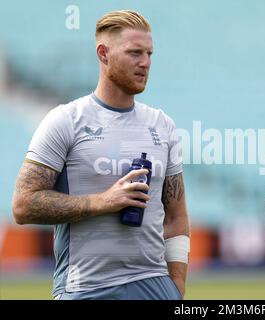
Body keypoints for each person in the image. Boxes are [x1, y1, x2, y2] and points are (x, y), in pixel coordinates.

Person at [11, 10, 190, 300]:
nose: (145, 63)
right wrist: (102, 202)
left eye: (149, 53)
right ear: (103, 53)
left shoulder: (163, 125)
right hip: (85, 290)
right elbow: (23, 205)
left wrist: (176, 287)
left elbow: (177, 216)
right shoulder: (65, 120)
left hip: (155, 288)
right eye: (134, 53)